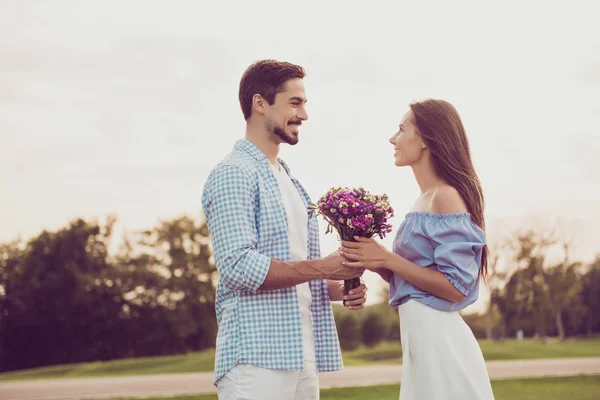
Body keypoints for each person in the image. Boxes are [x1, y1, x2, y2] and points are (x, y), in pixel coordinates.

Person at [202, 59, 367, 400]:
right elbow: (237, 267)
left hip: (301, 356)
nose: (303, 115)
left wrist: (338, 286)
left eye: (303, 104)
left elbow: (296, 270)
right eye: (295, 102)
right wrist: (324, 267)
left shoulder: (288, 179)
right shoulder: (234, 173)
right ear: (260, 103)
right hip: (256, 362)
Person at [340, 99, 495, 399]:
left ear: (424, 139)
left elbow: (456, 288)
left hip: (440, 340)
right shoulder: (424, 199)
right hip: (420, 339)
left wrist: (389, 258)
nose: (392, 139)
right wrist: (378, 262)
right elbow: (416, 280)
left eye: (400, 129)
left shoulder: (445, 197)